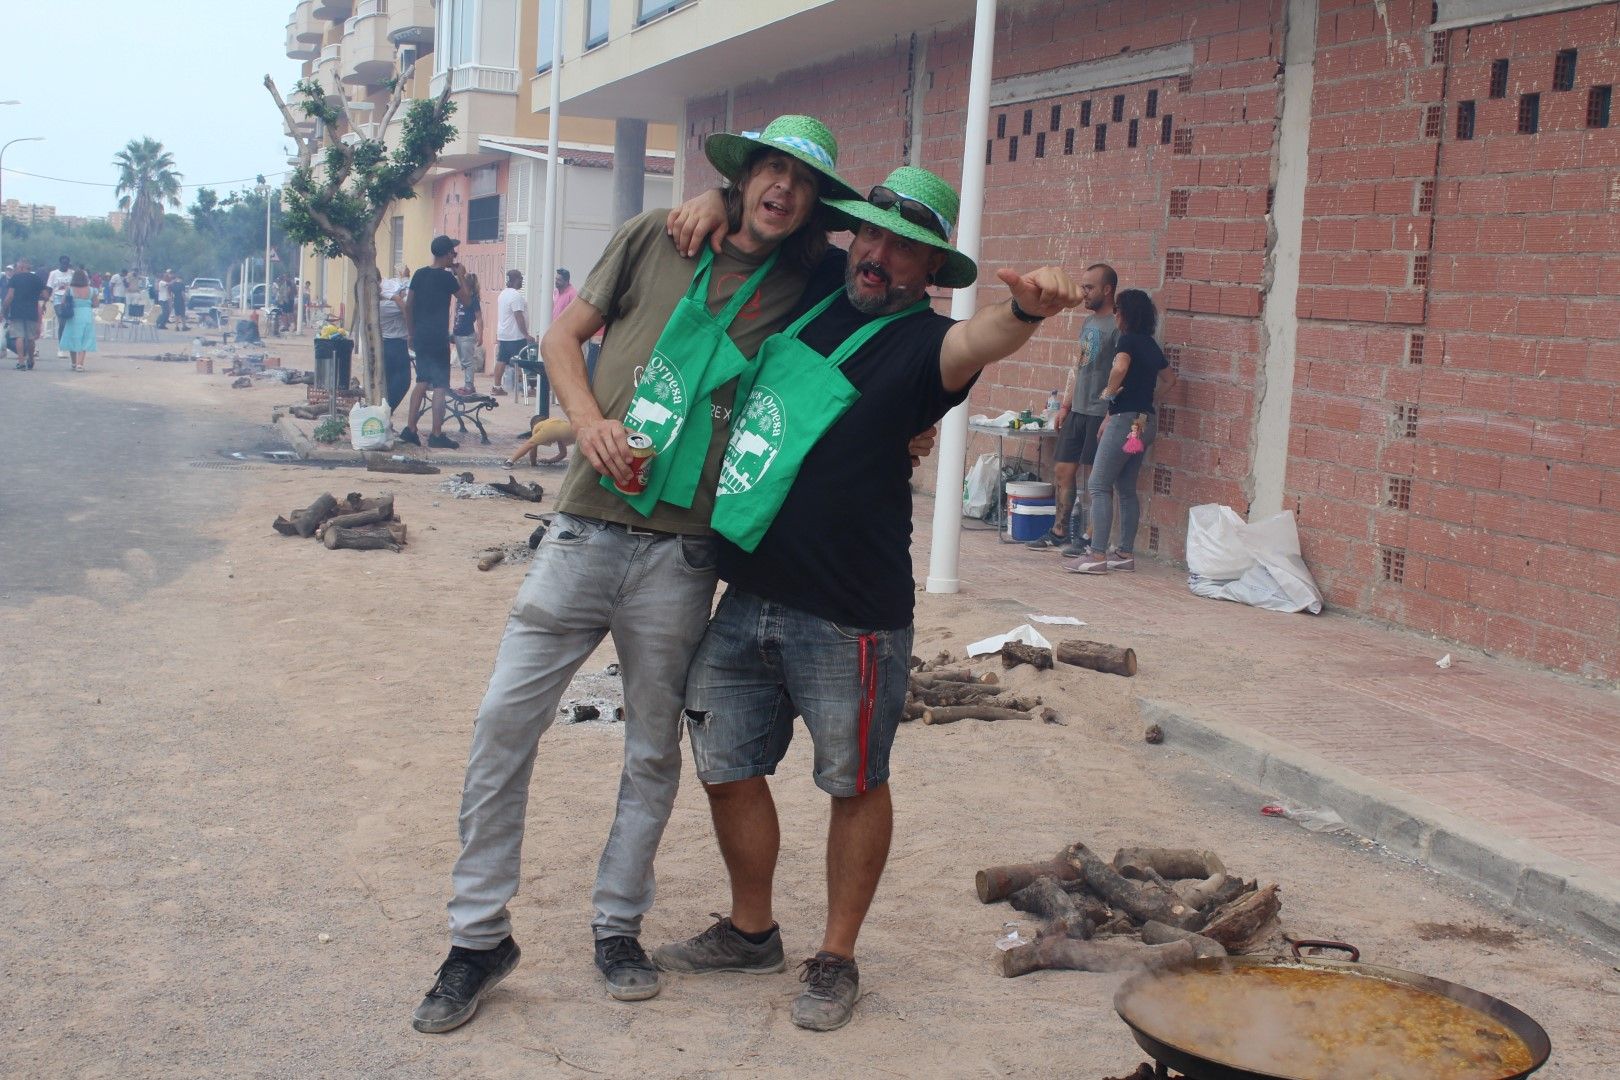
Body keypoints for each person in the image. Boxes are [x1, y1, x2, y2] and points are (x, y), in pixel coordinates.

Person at [409, 114, 866, 1036]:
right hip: (584, 528)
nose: (781, 187)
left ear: (815, 204)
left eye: (802, 180)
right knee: (504, 723)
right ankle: (476, 940)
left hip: (686, 552)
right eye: (767, 169)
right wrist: (583, 423)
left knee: (653, 747)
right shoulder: (652, 238)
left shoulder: (808, 280)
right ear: (742, 178)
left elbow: (886, 296)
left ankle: (618, 928)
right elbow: (561, 341)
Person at [650, 167, 1080, 1033]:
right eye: (871, 235)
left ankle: (837, 956)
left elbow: (983, 342)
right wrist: (713, 200)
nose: (878, 255)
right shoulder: (813, 287)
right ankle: (751, 930)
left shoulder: (928, 347)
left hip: (850, 614)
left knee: (854, 783)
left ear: (931, 271)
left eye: (904, 248)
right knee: (728, 769)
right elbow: (761, 226)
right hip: (749, 593)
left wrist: (1028, 311)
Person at [1063, 288, 1176, 575]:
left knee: (1099, 485)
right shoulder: (1150, 344)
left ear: (1124, 313)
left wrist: (1109, 394)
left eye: (1117, 311)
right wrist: (1149, 399)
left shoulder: (1126, 340)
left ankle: (1097, 555)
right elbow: (1170, 379)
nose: (1115, 315)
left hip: (1125, 421)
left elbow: (1120, 366)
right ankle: (1124, 552)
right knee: (1125, 488)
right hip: (1143, 422)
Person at [1027, 263, 1118, 554]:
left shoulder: (1118, 325)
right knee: (1063, 471)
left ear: (1107, 290)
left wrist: (1110, 413)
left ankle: (1089, 537)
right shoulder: (1088, 323)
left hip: (1099, 412)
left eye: (1089, 287)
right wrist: (1065, 405)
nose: (1083, 293)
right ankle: (1059, 531)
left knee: (1096, 479)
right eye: (1083, 286)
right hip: (1077, 410)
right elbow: (1078, 365)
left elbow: (1122, 373)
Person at [397, 236, 470, 448]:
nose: (454, 257)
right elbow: (465, 300)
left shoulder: (419, 274)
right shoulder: (447, 279)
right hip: (438, 338)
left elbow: (409, 306)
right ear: (447, 254)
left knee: (421, 381)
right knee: (440, 385)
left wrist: (411, 333)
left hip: (420, 335)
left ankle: (410, 428)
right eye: (453, 253)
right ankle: (436, 434)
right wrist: (461, 276)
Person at [489, 269, 534, 399]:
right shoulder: (515, 296)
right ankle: (527, 388)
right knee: (524, 361)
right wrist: (526, 334)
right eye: (520, 278)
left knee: (501, 360)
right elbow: (518, 316)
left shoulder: (503, 294)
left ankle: (497, 387)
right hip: (516, 336)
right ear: (515, 280)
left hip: (504, 335)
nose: (522, 281)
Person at [378, 266, 413, 416]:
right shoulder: (384, 305)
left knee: (390, 384)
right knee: (402, 382)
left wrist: (403, 282)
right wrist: (400, 292)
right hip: (394, 344)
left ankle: (384, 415)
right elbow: (408, 303)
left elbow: (404, 296)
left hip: (389, 344)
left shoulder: (384, 295)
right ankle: (384, 415)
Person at [4, 257, 47, 369]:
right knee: (31, 337)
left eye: (17, 267)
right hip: (32, 310)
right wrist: (36, 296)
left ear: (22, 267)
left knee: (19, 336)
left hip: (17, 310)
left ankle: (21, 362)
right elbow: (46, 295)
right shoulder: (36, 279)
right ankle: (31, 359)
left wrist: (4, 309)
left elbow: (10, 296)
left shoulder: (15, 278)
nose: (16, 269)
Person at [58, 269, 98, 372]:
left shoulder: (69, 289)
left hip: (73, 315)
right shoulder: (91, 290)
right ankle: (80, 364)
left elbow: (62, 302)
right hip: (86, 314)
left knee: (73, 337)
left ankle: (74, 362)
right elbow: (96, 304)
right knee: (84, 338)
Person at [453, 272, 484, 394]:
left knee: (467, 362)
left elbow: (479, 318)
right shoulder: (460, 296)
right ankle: (467, 384)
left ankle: (469, 385)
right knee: (463, 361)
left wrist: (480, 335)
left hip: (466, 335)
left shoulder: (473, 300)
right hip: (457, 333)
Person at [503, 415, 574, 468]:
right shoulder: (554, 423)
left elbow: (532, 450)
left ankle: (510, 461)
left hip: (550, 428)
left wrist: (533, 464)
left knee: (529, 444)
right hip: (569, 427)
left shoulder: (537, 427)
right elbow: (563, 453)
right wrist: (550, 461)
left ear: (533, 426)